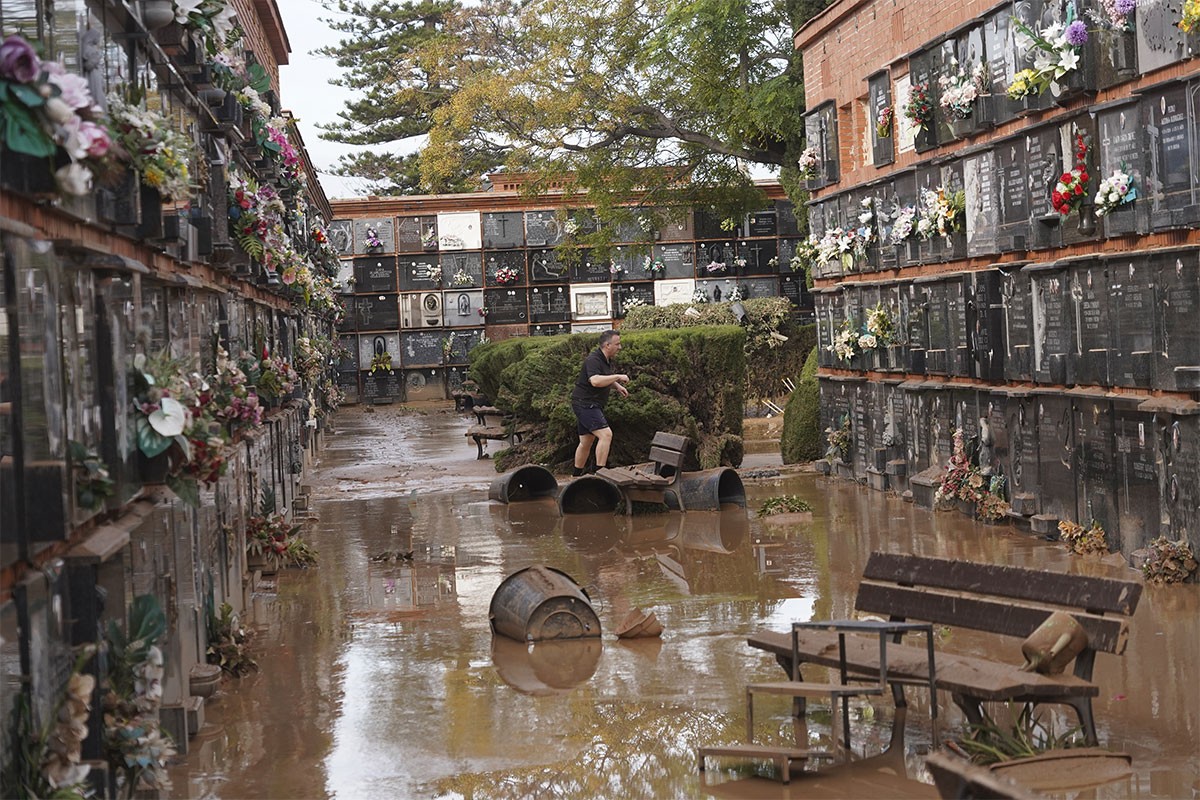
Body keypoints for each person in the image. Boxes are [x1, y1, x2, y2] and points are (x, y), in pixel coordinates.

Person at [570, 330, 630, 476]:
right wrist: (618, 376)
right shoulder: (594, 359)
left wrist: (617, 386)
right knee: (606, 435)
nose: (620, 347)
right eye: (617, 344)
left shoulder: (606, 359)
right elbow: (595, 381)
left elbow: (605, 377)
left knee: (586, 441)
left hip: (590, 404)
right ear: (607, 345)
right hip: (585, 404)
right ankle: (600, 474)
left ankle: (575, 476)